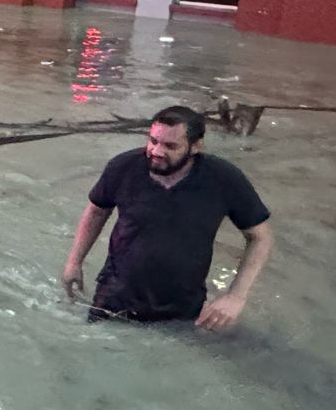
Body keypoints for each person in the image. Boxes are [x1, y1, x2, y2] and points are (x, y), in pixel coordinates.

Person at [61, 104, 273, 330]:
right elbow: (96, 211)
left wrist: (236, 297)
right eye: (153, 141)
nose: (157, 151)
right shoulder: (124, 167)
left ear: (195, 146)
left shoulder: (224, 179)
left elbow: (260, 237)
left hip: (183, 305)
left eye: (170, 146)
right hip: (116, 296)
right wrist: (74, 262)